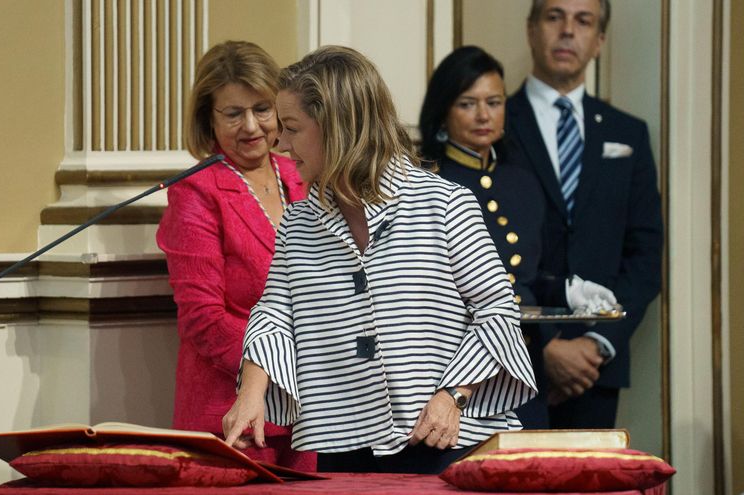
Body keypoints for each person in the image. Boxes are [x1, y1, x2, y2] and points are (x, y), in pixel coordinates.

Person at [222, 45, 536, 475]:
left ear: (338, 127)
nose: (280, 143)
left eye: (292, 128)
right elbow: (275, 314)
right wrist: (251, 394)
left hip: (448, 441)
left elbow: (497, 312)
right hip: (342, 443)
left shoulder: (445, 204)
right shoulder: (299, 222)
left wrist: (453, 396)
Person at [156, 40, 315, 471]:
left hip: (313, 415)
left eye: (262, 109)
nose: (251, 126)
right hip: (233, 418)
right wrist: (285, 366)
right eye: (233, 113)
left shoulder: (302, 174)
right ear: (208, 118)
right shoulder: (195, 191)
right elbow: (203, 319)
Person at [505, 0, 664, 429]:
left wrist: (597, 343)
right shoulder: (493, 124)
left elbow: (645, 255)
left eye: (583, 20)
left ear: (600, 41)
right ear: (532, 29)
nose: (568, 31)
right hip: (510, 363)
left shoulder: (628, 133)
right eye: (554, 16)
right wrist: (544, 347)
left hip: (596, 372)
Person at [419, 46, 550, 429]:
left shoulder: (523, 183)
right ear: (444, 110)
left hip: (523, 363)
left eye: (494, 102)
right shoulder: (426, 182)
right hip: (454, 368)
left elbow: (530, 277)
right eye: (467, 104)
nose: (483, 115)